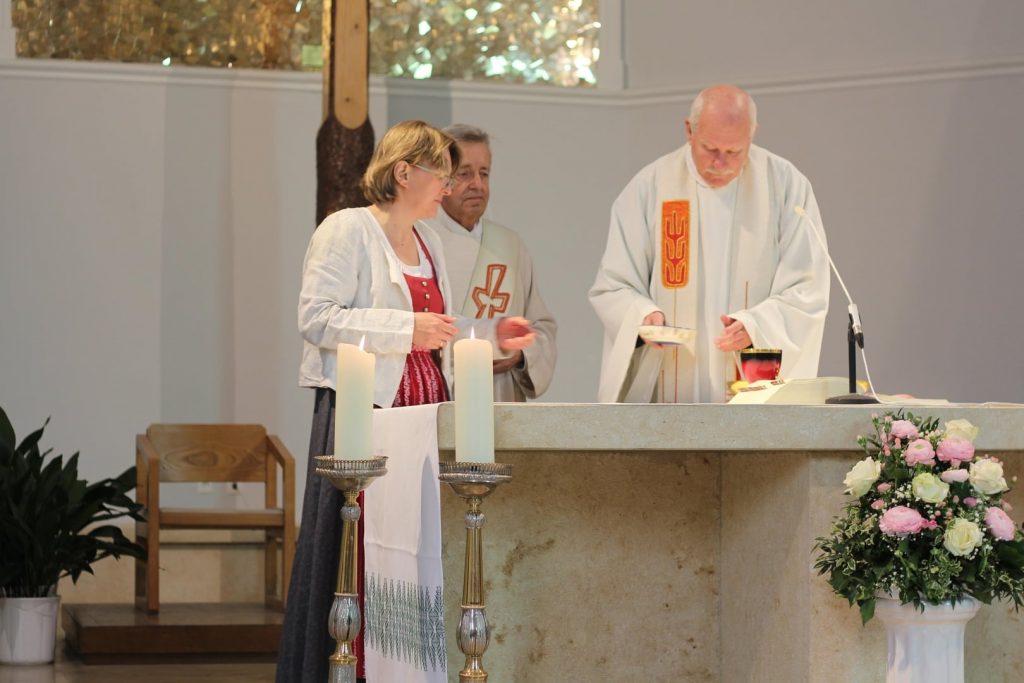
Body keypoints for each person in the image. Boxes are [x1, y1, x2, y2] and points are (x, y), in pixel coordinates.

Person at [277, 120, 534, 683]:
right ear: (403, 172)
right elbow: (316, 319)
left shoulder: (429, 242)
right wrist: (404, 329)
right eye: (440, 173)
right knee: (353, 551)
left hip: (421, 418)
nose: (446, 187)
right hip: (362, 414)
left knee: (411, 557)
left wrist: (493, 333)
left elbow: (438, 328)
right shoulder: (347, 229)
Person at [589, 84, 830, 403]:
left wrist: (755, 326)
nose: (721, 163)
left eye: (734, 152)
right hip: (670, 392)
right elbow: (613, 287)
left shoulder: (786, 186)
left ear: (753, 133)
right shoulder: (650, 187)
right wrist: (643, 315)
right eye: (710, 149)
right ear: (689, 130)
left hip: (752, 388)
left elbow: (808, 289)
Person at [422, 124, 557, 401]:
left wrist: (521, 355)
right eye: (464, 174)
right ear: (442, 179)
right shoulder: (420, 240)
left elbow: (541, 327)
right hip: (445, 397)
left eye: (484, 174)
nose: (477, 184)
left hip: (502, 396)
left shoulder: (510, 246)